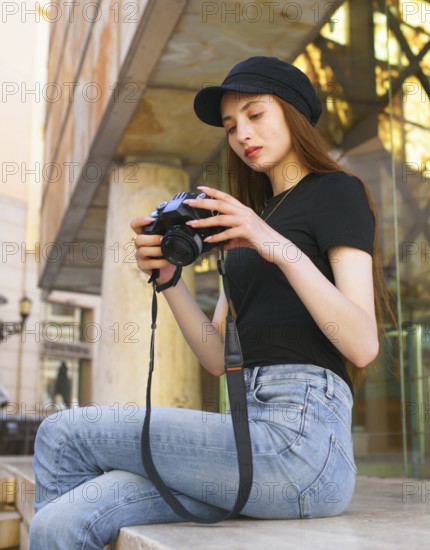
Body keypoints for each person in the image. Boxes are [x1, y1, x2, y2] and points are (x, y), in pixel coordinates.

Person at [29, 56, 391, 549]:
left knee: (63, 432)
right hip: (245, 436)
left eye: (255, 114)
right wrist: (169, 280)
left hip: (302, 446)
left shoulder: (335, 192)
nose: (242, 134)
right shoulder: (252, 220)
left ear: (293, 114)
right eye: (230, 125)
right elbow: (218, 357)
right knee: (61, 524)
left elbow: (363, 343)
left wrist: (272, 243)